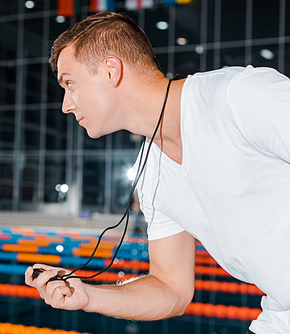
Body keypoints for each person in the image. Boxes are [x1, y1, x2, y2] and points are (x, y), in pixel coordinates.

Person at [24, 11, 290, 334]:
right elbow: (171, 289)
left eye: (70, 84)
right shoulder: (149, 173)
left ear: (111, 71)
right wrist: (88, 296)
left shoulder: (236, 97)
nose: (66, 104)